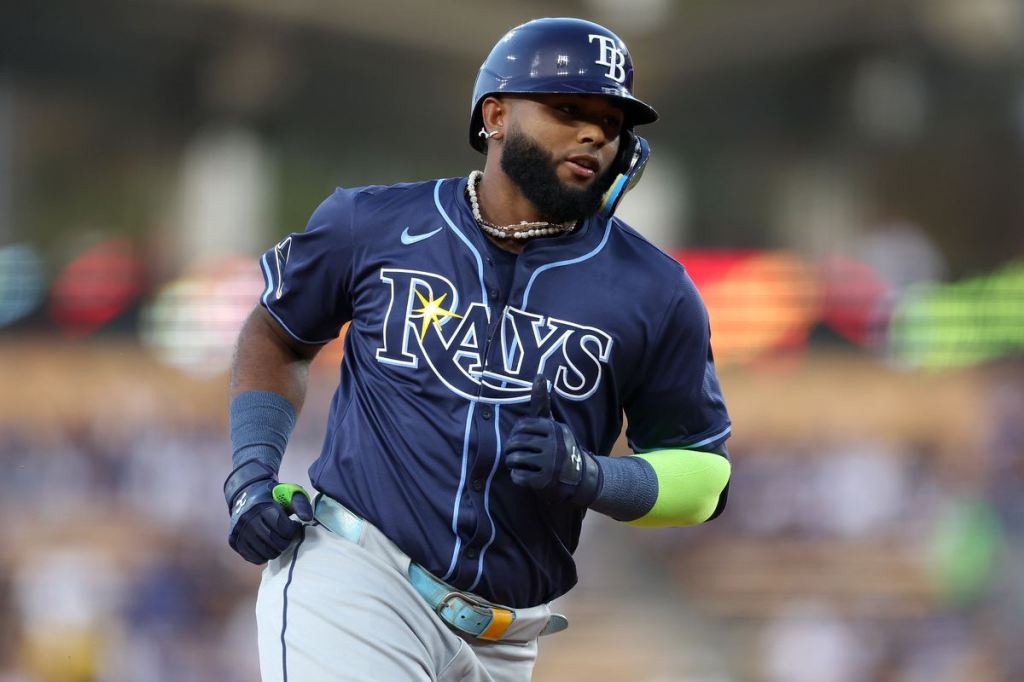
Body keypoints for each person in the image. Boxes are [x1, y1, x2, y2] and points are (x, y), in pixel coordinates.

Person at [224, 17, 733, 682]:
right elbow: (276, 332)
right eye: (568, 109)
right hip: (357, 580)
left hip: (506, 638)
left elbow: (703, 476)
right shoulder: (371, 224)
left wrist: (592, 476)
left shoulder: (655, 291)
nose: (594, 134)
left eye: (611, 122)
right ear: (495, 115)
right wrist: (251, 475)